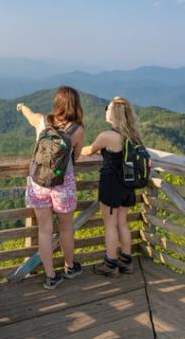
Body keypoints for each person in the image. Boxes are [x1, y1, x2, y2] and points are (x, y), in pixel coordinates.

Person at [16, 86, 84, 289]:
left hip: (39, 183)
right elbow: (77, 157)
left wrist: (22, 107)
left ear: (57, 103)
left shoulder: (42, 121)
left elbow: (30, 115)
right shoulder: (77, 130)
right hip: (64, 184)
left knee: (45, 231)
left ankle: (50, 276)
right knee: (65, 228)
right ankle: (70, 267)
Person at [81, 96, 142, 277]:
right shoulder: (133, 135)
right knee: (122, 223)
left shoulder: (107, 136)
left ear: (114, 113)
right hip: (127, 186)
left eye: (107, 108)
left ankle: (110, 264)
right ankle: (126, 261)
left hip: (111, 186)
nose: (105, 110)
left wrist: (72, 146)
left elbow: (88, 150)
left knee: (110, 225)